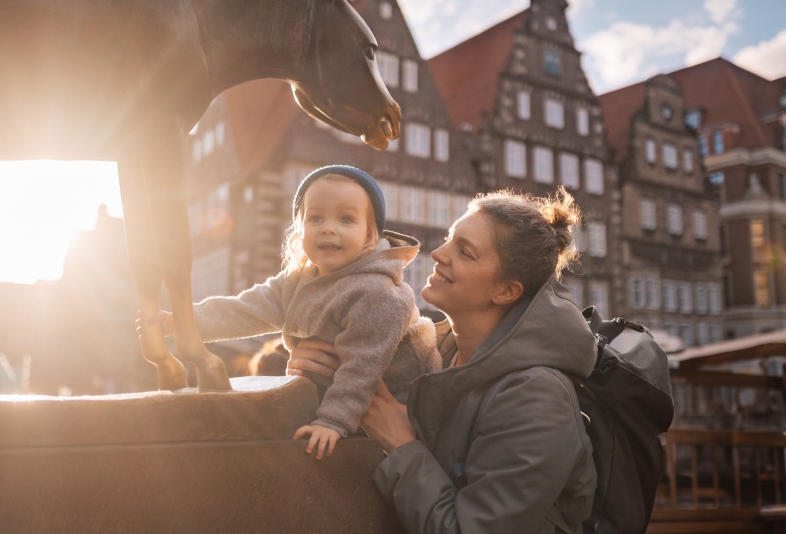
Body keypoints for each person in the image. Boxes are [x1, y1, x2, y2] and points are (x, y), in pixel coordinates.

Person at [288, 188, 599, 533]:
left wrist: (402, 445)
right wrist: (313, 369)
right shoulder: (427, 353)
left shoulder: (538, 398)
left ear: (506, 291)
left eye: (464, 252)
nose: (437, 253)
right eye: (449, 239)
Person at [143, 165, 440, 460]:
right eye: (315, 218)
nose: (328, 227)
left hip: (404, 410)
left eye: (346, 219)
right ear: (300, 229)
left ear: (369, 236)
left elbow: (362, 368)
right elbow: (242, 310)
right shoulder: (299, 281)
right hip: (349, 404)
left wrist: (333, 421)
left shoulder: (377, 292)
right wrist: (182, 322)